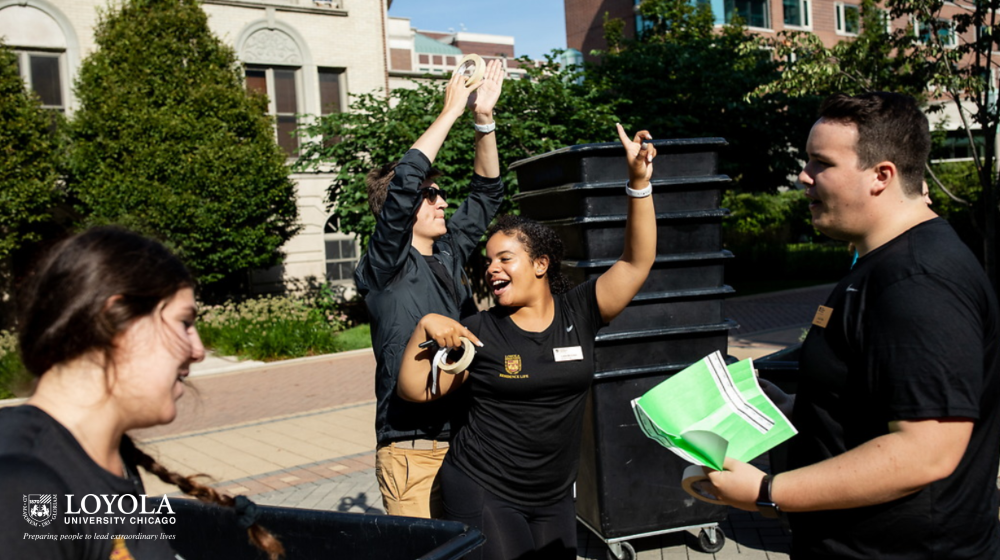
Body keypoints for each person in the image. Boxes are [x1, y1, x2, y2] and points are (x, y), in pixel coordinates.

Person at [703, 92, 1000, 559]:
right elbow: (872, 398)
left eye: (821, 163)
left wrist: (767, 491)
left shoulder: (918, 281)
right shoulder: (884, 263)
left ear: (881, 176)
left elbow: (926, 452)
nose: (803, 176)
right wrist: (791, 407)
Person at [397, 125, 658, 560]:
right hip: (485, 488)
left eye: (505, 258)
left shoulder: (580, 311)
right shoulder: (479, 331)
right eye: (488, 261)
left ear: (540, 264)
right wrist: (423, 326)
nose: (491, 269)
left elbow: (637, 261)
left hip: (554, 496)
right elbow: (414, 390)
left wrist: (638, 183)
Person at [0, 227, 284, 559]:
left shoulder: (109, 459)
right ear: (115, 322)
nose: (198, 350)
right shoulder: (20, 483)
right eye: (184, 323)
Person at [354, 59, 506, 518]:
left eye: (439, 193)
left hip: (468, 443)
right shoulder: (383, 265)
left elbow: (486, 193)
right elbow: (403, 185)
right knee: (426, 551)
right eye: (431, 194)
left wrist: (483, 120)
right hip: (412, 450)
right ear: (403, 209)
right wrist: (450, 112)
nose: (442, 201)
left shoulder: (449, 252)